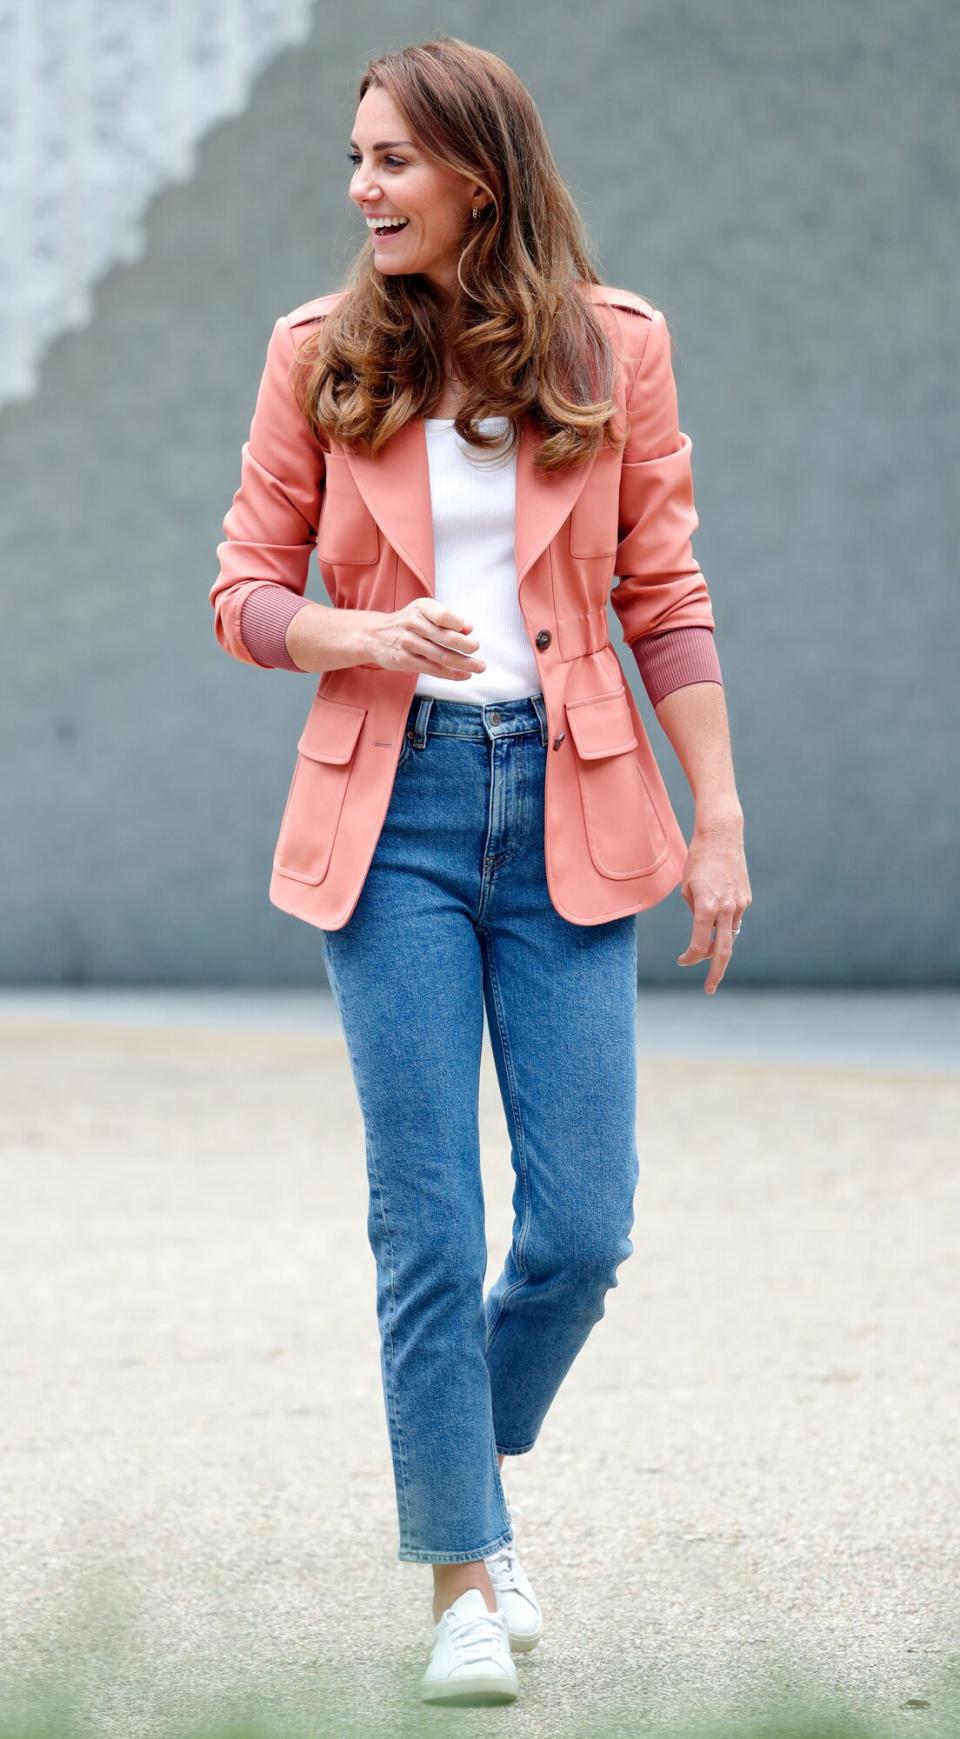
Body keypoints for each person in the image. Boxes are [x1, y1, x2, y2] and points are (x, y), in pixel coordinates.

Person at [211, 35, 751, 1709]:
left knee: (582, 1228)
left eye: (391, 160)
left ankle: (467, 1465)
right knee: (429, 1220)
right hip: (396, 821)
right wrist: (361, 628)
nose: (361, 187)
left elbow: (662, 594)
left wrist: (717, 814)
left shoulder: (614, 350)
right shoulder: (318, 355)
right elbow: (239, 592)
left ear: (480, 177)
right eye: (353, 159)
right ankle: (459, 1575)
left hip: (577, 806)